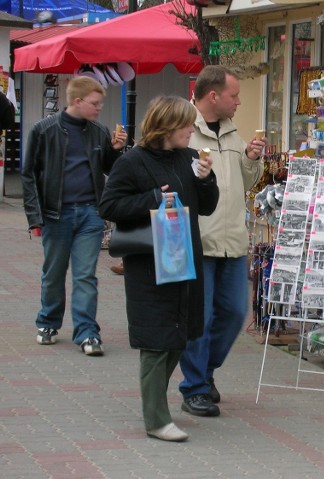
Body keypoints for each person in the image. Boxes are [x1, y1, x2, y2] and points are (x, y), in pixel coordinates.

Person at [99, 95, 219, 442]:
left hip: (185, 258)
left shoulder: (192, 158)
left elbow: (207, 207)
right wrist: (151, 198)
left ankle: (156, 405)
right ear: (167, 126)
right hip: (150, 264)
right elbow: (109, 205)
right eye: (186, 124)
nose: (192, 130)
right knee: (156, 341)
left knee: (180, 336)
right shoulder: (132, 161)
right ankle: (156, 419)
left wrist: (205, 180)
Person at [178, 65, 265, 417]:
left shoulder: (231, 134)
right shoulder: (184, 128)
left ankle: (205, 370)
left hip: (233, 241)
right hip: (198, 241)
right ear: (213, 96)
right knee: (199, 317)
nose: (239, 102)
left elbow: (246, 183)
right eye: (234, 95)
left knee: (232, 314)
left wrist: (250, 159)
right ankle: (195, 386)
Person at [21, 76, 127, 356]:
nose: (99, 108)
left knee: (85, 275)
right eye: (95, 103)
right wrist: (34, 216)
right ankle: (48, 322)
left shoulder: (99, 131)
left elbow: (108, 168)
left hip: (90, 214)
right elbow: (28, 174)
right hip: (55, 214)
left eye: (101, 103)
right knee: (54, 273)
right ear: (77, 101)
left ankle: (87, 332)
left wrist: (116, 151)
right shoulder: (44, 130)